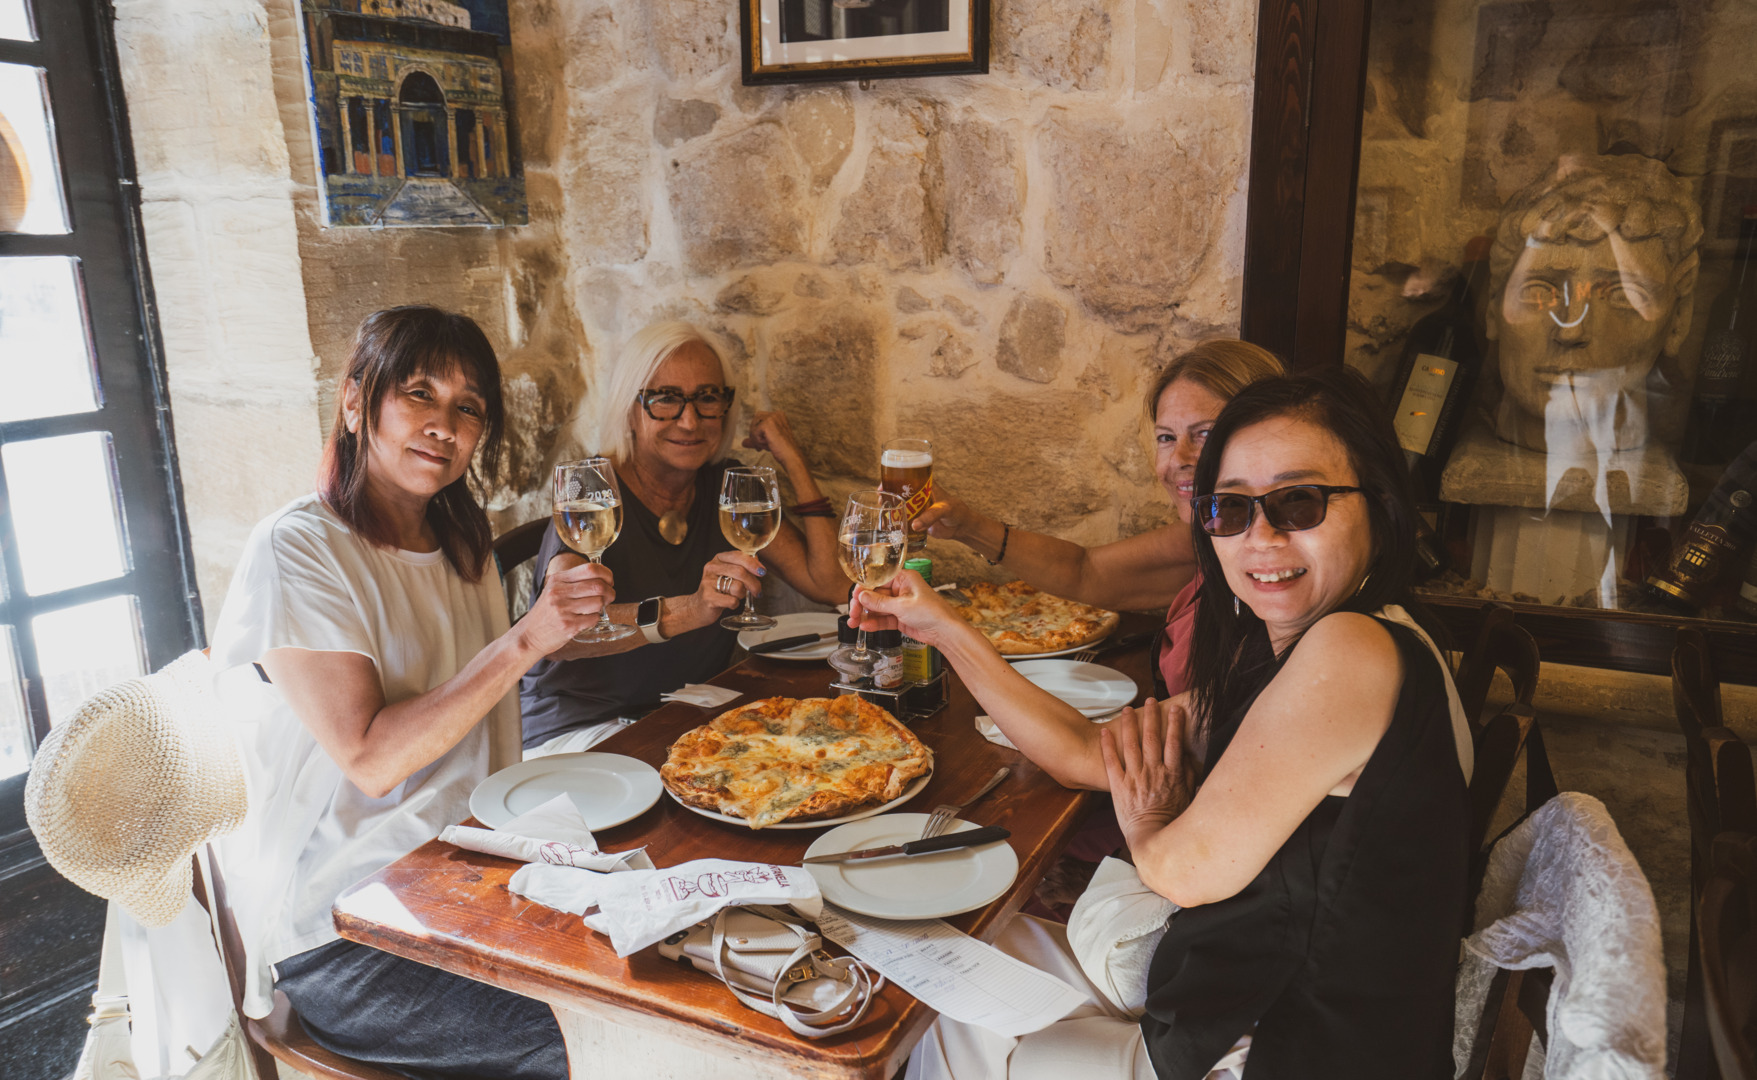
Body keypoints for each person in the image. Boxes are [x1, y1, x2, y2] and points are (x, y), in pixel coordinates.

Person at [855, 367, 1473, 1079]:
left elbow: (1184, 871)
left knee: (956, 1008)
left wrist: (1150, 819)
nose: (1261, 536)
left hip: (1286, 1044)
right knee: (949, 971)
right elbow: (1085, 752)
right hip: (1241, 986)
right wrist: (943, 628)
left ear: (1380, 504)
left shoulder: (1352, 649)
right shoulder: (1302, 646)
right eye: (1230, 509)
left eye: (1298, 502)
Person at [210, 307, 613, 1079]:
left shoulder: (462, 542)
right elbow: (372, 760)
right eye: (419, 393)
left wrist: (559, 601)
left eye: (468, 407)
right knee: (615, 1037)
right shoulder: (299, 547)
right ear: (355, 402)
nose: (444, 425)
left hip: (479, 882)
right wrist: (525, 638)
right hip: (348, 933)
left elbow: (484, 710)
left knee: (678, 968)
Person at [519, 321, 849, 755]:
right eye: (666, 399)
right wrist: (690, 610)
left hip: (681, 719)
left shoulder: (726, 489)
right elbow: (561, 635)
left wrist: (792, 459)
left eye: (707, 398)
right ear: (630, 409)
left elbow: (831, 585)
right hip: (578, 730)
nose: (690, 421)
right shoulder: (593, 492)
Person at [912, 340, 1283, 696]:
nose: (1179, 459)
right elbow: (1085, 571)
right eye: (1166, 438)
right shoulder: (1203, 539)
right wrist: (967, 526)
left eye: (1205, 434)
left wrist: (947, 632)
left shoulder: (1281, 570)